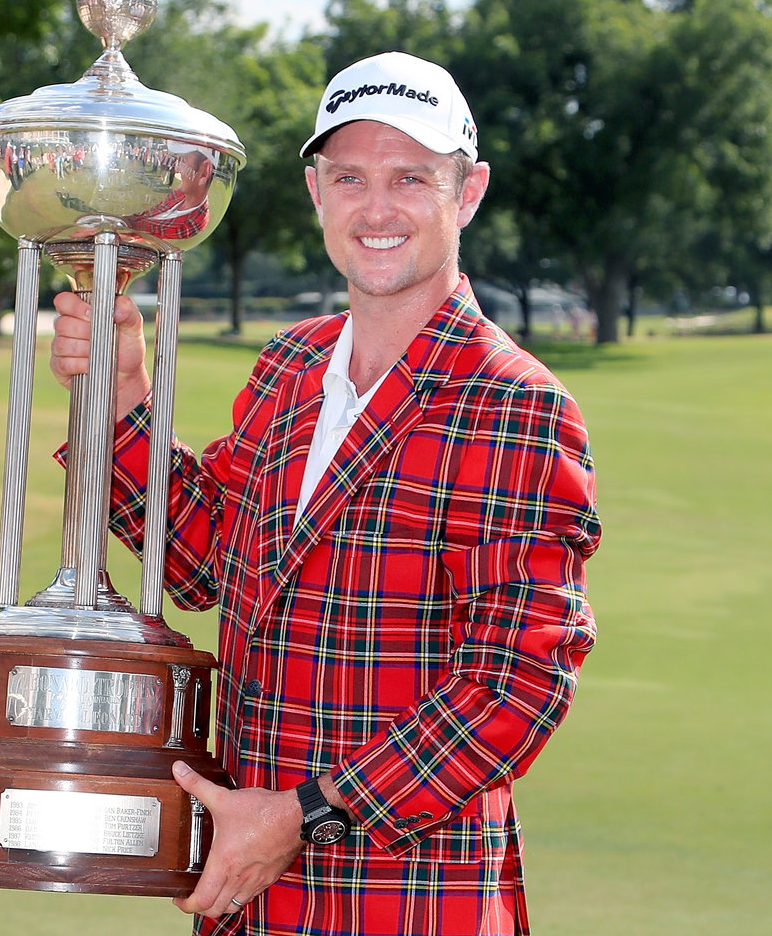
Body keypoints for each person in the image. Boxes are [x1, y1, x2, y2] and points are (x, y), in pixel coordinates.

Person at [51, 52, 601, 935]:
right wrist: (123, 401)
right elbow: (205, 563)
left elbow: (515, 683)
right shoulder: (291, 364)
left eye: (409, 178)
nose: (375, 208)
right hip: (249, 899)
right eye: (350, 176)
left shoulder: (516, 402)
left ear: (467, 192)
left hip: (410, 902)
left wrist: (303, 817)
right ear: (316, 191)